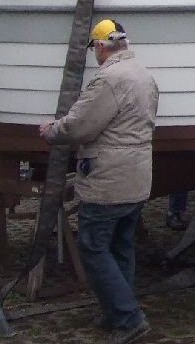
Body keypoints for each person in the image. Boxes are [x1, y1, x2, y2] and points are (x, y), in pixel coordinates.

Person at [39, 19, 158, 344]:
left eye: (95, 48)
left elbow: (80, 126)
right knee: (121, 247)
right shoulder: (144, 75)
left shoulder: (108, 79)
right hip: (137, 178)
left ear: (102, 47)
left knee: (93, 249)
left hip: (108, 181)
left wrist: (51, 130)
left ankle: (129, 319)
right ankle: (115, 311)